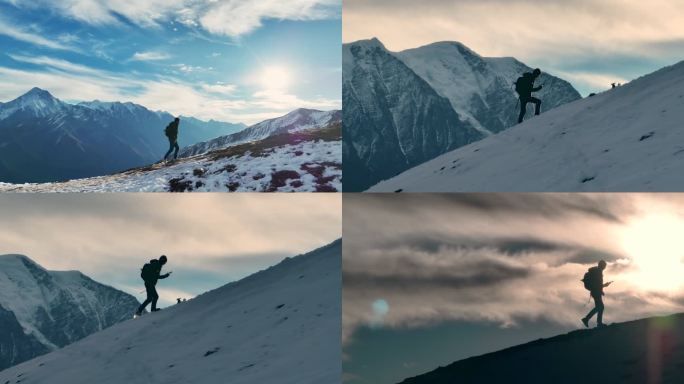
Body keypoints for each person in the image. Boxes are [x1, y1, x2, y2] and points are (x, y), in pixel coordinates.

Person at [581, 260, 612, 328]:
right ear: (602, 265)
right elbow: (598, 284)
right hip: (596, 292)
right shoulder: (599, 272)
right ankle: (595, 322)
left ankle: (589, 320)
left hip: (595, 291)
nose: (605, 267)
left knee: (599, 307)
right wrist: (603, 287)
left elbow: (597, 284)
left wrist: (602, 288)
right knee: (600, 307)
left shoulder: (596, 271)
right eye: (604, 266)